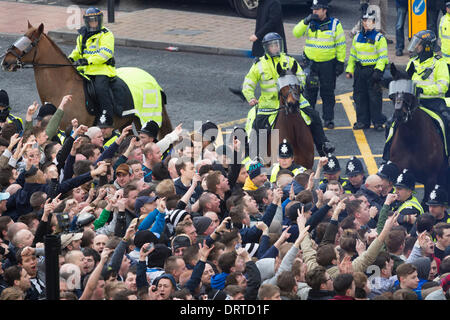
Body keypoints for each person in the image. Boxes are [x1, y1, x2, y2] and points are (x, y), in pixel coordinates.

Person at [241, 32, 335, 157]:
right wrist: (250, 97)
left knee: (314, 116)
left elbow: (301, 76)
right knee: (258, 124)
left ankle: (323, 146)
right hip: (269, 103)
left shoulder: (289, 60)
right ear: (266, 48)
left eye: (277, 45)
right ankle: (253, 155)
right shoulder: (259, 65)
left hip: (293, 98)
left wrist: (299, 87)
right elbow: (248, 83)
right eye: (272, 46)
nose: (276, 48)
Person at [292, 0, 346, 129]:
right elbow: (295, 33)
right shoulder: (309, 22)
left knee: (327, 93)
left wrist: (340, 62)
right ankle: (309, 118)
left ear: (325, 10)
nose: (314, 11)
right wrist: (306, 21)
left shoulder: (335, 24)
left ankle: (328, 119)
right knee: (310, 93)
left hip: (328, 65)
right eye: (313, 9)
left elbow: (341, 45)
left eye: (317, 9)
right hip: (311, 65)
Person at [68, 7, 116, 127]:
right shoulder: (82, 35)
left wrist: (87, 60)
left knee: (100, 90)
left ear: (99, 21)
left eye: (95, 20)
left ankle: (107, 118)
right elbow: (77, 51)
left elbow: (105, 53)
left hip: (102, 70)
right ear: (86, 21)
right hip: (85, 70)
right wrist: (70, 59)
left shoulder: (106, 34)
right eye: (90, 20)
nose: (93, 22)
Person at [346, 8, 388, 131]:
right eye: (365, 20)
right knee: (359, 97)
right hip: (359, 70)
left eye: (370, 21)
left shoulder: (379, 38)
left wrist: (378, 71)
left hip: (372, 71)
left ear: (374, 22)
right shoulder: (357, 36)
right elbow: (353, 55)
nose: (367, 23)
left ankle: (377, 122)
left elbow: (383, 57)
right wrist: (350, 70)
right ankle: (362, 122)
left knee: (375, 98)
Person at [390, 169, 424, 234]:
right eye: (395, 188)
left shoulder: (411, 209)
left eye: (399, 189)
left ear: (409, 191)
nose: (396, 192)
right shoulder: (401, 200)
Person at [439, 2, 450, 97]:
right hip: (446, 58)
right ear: (446, 9)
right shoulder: (443, 20)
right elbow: (441, 35)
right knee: (447, 82)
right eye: (448, 7)